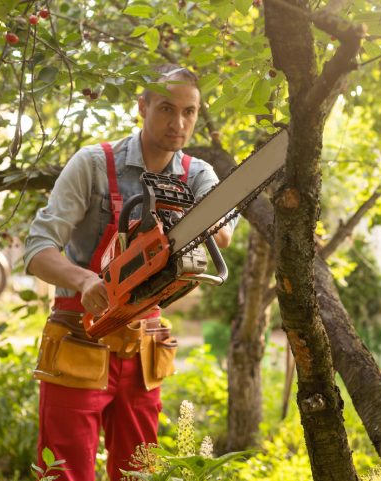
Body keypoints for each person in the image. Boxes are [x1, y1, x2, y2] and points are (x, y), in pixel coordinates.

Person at [24, 64, 235, 481]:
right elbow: (37, 249)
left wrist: (204, 222)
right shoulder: (93, 164)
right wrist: (85, 280)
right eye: (166, 109)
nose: (178, 123)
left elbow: (222, 230)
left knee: (139, 473)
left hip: (143, 347)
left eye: (189, 112)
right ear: (142, 106)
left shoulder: (197, 175)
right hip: (78, 336)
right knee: (64, 473)